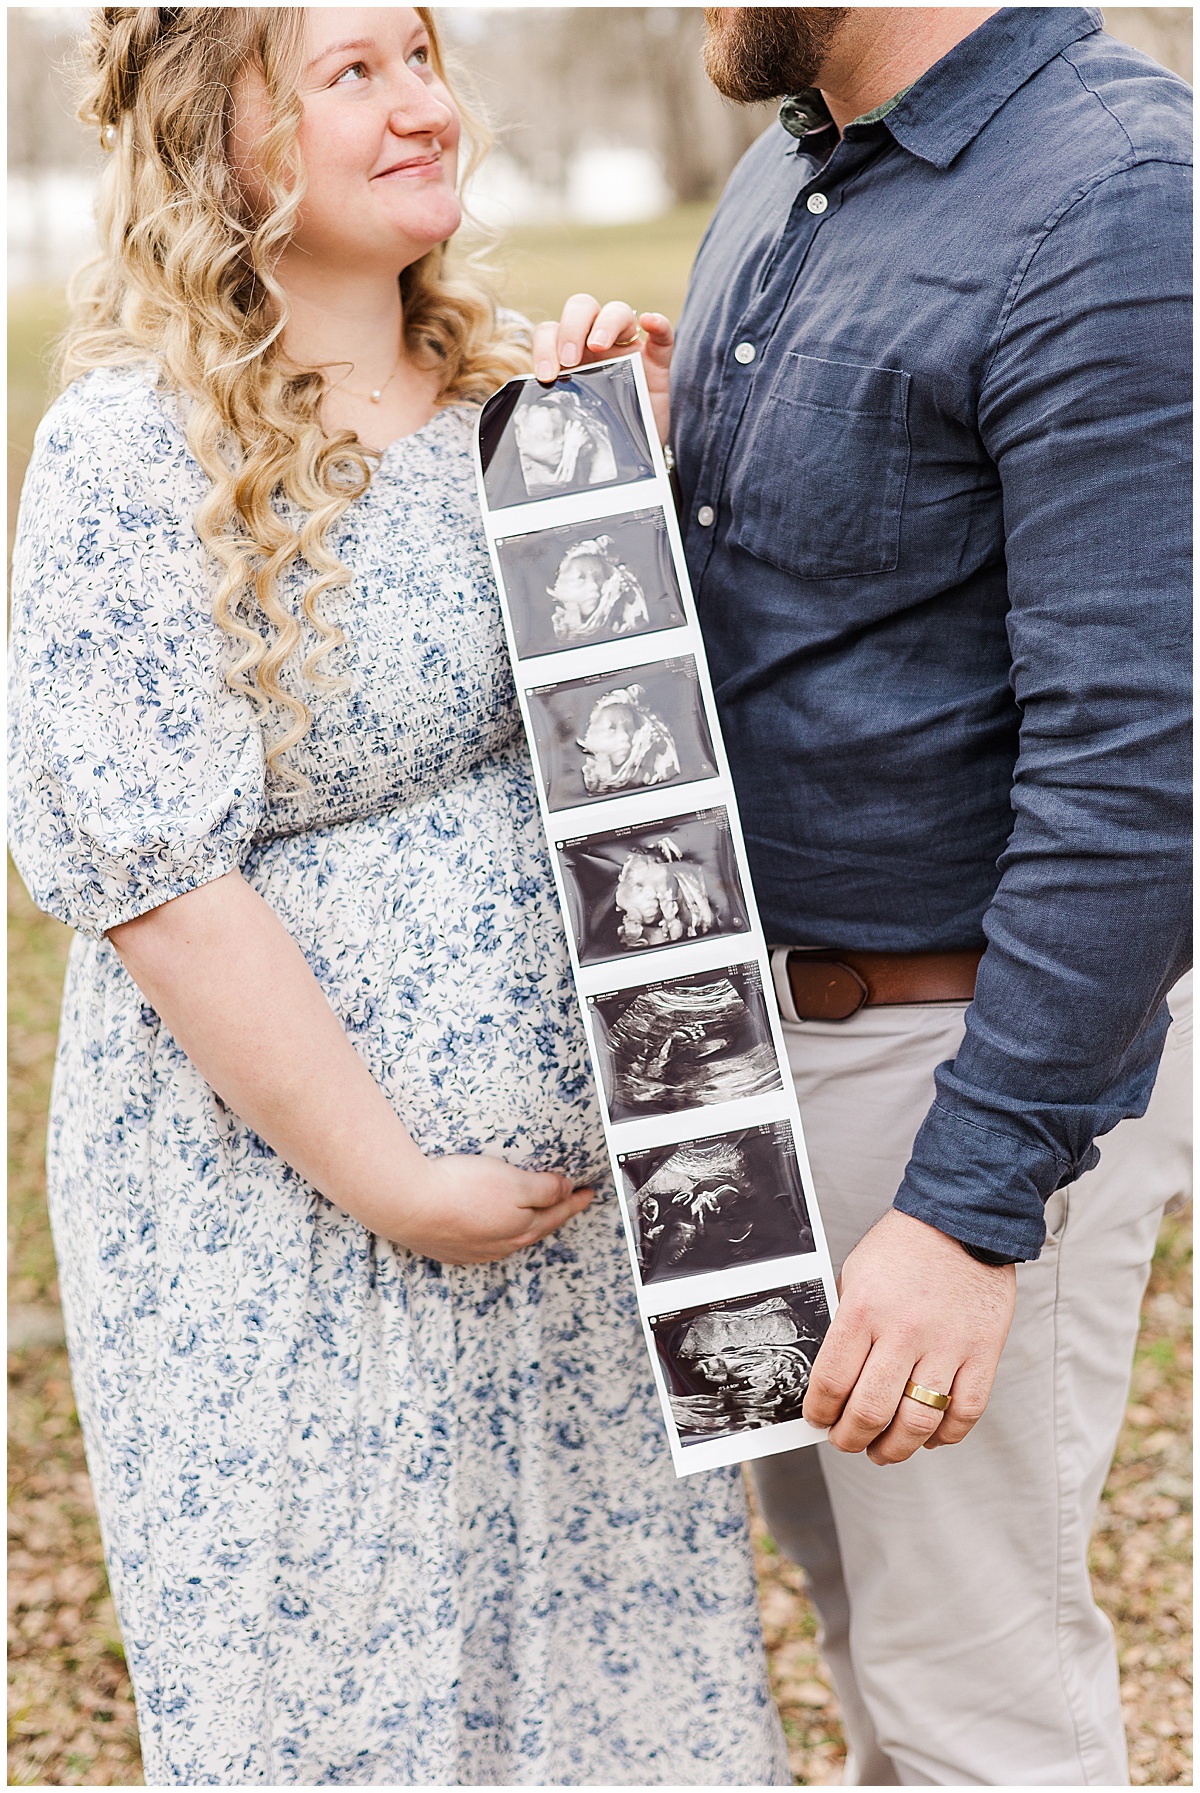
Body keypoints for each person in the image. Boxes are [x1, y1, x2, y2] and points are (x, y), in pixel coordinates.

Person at [6, 8, 792, 1784]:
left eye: (425, 55)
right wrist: (398, 1179)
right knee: (357, 1709)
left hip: (590, 1234)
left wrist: (631, 460)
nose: (426, 102)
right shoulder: (131, 454)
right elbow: (158, 883)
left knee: (613, 1715)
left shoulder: (521, 404)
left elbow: (641, 759)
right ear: (218, 135)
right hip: (290, 1233)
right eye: (353, 72)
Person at [537, 5, 1191, 1785]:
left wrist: (971, 1213)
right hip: (734, 1067)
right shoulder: (791, 164)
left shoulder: (1124, 194)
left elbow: (1142, 772)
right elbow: (838, 606)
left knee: (978, 1715)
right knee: (867, 1662)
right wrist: (652, 460)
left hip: (941, 1067)